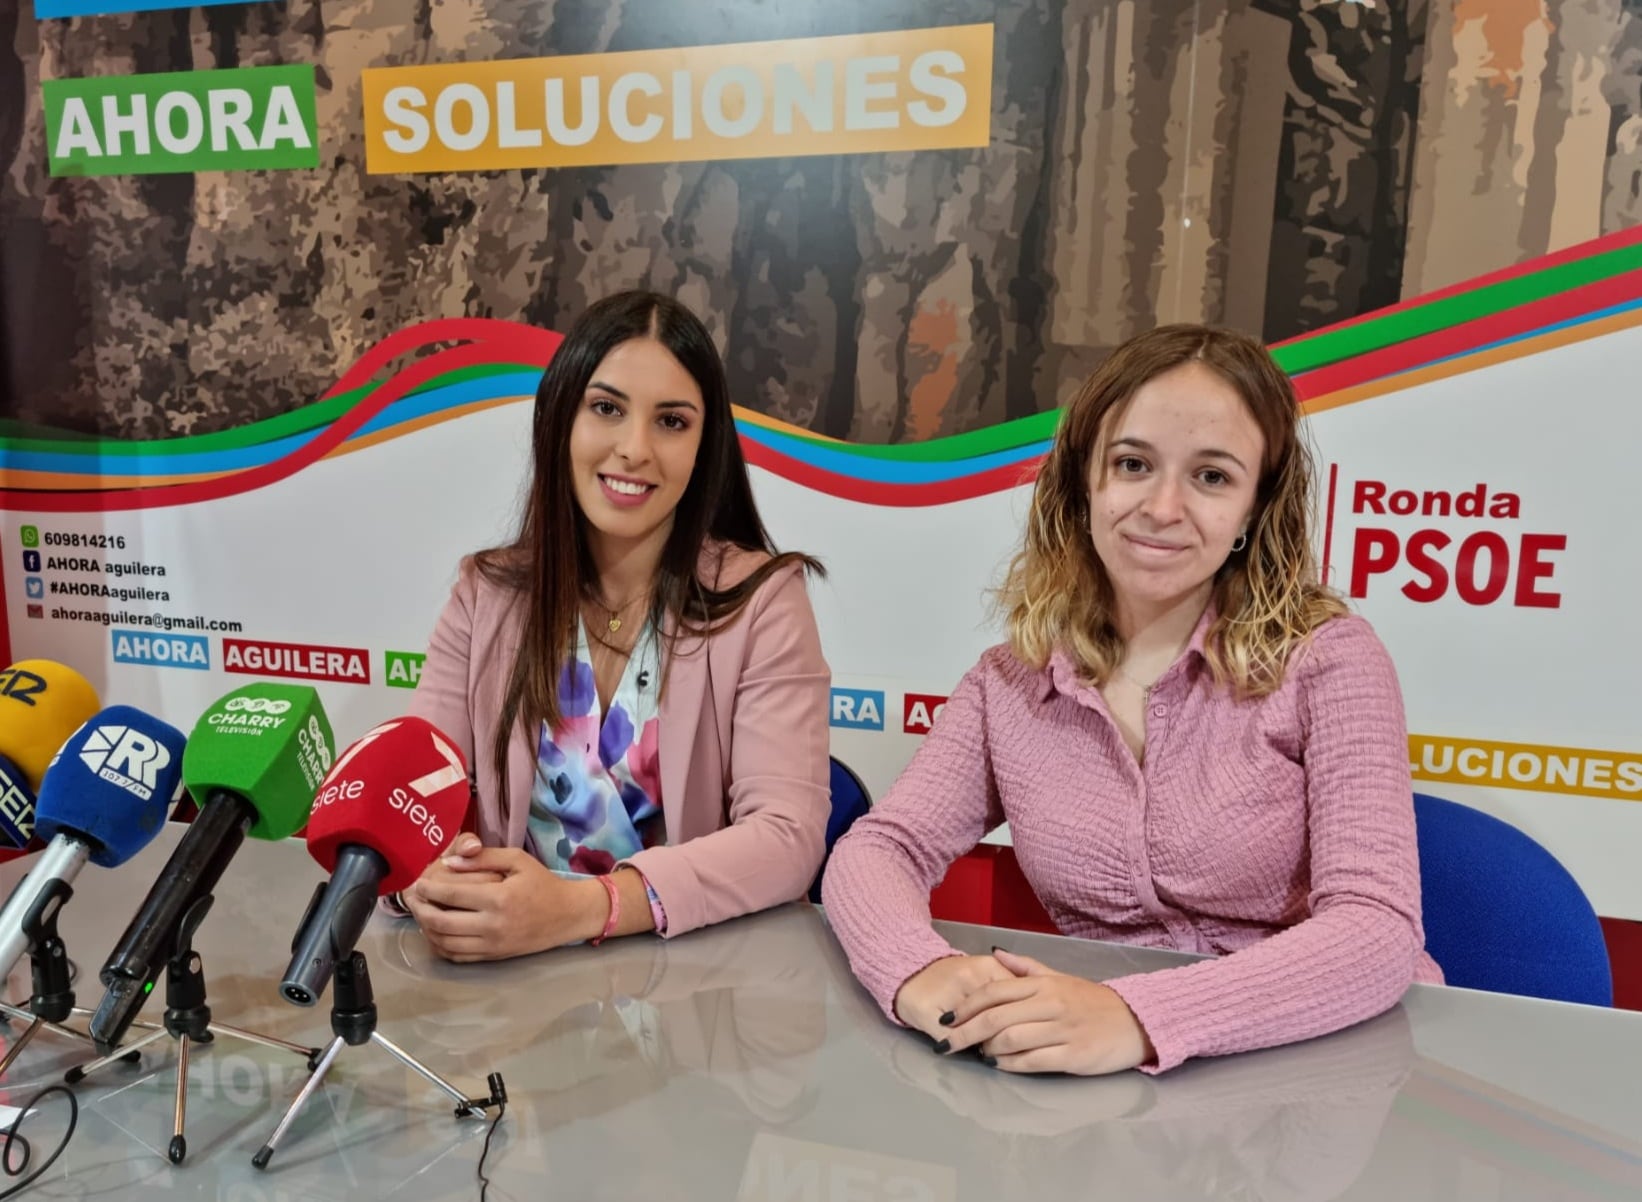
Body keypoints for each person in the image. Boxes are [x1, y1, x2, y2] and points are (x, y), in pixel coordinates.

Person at [822, 323, 1441, 1075]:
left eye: (1212, 477)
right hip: (1105, 1077)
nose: (1162, 507)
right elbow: (882, 848)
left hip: (1321, 1065)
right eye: (1133, 464)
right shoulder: (1009, 679)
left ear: (1255, 507)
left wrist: (1141, 1017)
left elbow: (1376, 930)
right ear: (1085, 479)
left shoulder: (1332, 661)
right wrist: (918, 970)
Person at [399, 290, 831, 960]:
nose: (635, 449)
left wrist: (580, 908)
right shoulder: (484, 594)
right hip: (515, 988)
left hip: (694, 997)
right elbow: (410, 798)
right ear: (561, 418)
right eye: (606, 409)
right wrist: (417, 881)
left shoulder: (764, 599)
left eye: (672, 422)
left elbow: (787, 838)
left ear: (704, 445)